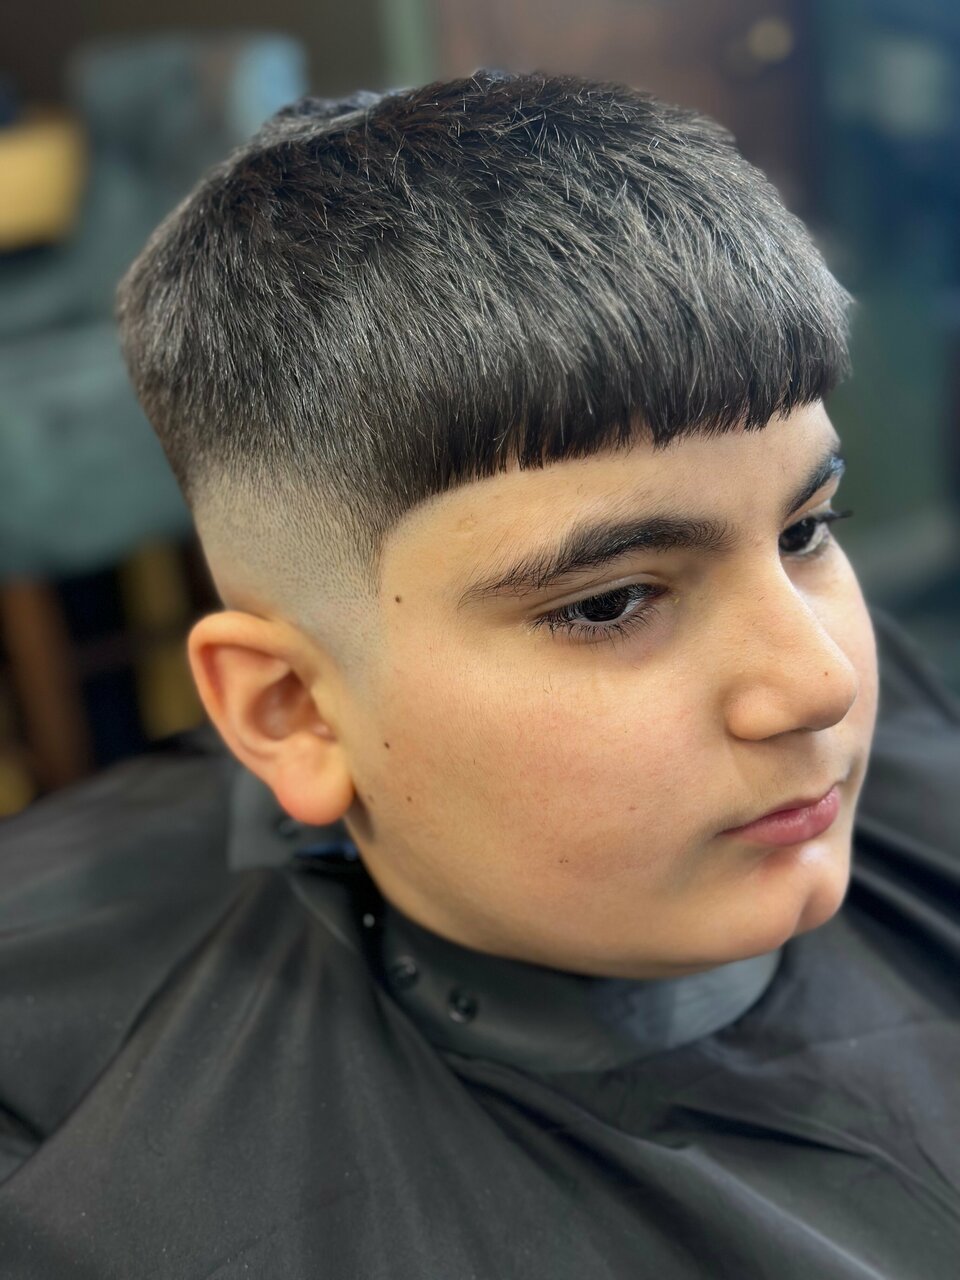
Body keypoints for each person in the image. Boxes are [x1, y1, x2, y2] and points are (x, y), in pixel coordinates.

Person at [1, 70, 958, 1278]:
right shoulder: (62, 1171)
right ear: (292, 709)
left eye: (806, 530)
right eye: (609, 601)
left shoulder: (914, 744)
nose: (820, 683)